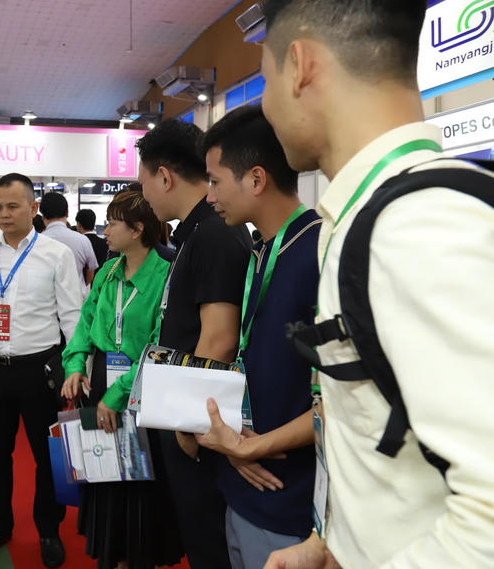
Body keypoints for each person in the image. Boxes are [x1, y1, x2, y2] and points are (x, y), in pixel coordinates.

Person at [258, 0, 494, 567]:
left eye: (264, 79)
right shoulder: (373, 218)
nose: (265, 104)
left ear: (299, 66)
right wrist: (333, 545)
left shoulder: (417, 227)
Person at [175, 105, 322, 569]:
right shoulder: (259, 251)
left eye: (216, 181)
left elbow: (344, 403)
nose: (210, 196)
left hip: (290, 502)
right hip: (240, 484)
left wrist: (254, 446)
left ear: (256, 179)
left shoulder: (321, 253)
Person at [137, 119, 251, 569]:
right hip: (194, 418)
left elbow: (219, 338)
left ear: (164, 176)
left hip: (202, 426)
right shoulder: (195, 233)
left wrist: (189, 423)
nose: (144, 195)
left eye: (144, 182)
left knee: (210, 543)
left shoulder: (213, 234)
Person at [0, 173, 84, 568]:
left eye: (12, 206)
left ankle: (48, 529)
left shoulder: (56, 254)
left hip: (40, 370)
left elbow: (72, 316)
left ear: (33, 208)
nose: (4, 214)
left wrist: (75, 368)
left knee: (46, 457)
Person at [60, 189, 183, 569]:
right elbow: (85, 323)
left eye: (113, 223)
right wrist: (74, 364)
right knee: (105, 476)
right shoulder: (108, 271)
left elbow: (159, 345)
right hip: (101, 386)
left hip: (141, 391)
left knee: (141, 483)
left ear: (138, 229)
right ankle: (113, 558)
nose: (106, 231)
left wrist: (117, 394)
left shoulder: (166, 274)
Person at [40, 192, 98, 287]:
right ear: (67, 213)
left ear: (43, 217)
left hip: (45, 295)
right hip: (77, 294)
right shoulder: (82, 240)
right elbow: (91, 271)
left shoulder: (37, 242)